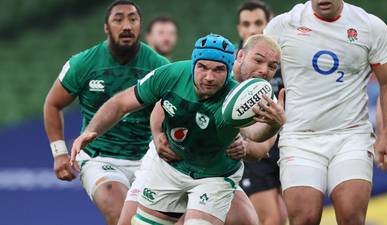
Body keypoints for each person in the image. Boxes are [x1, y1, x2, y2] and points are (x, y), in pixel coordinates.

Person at [69, 34, 285, 225]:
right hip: (170, 164)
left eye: (272, 66)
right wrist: (156, 135)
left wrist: (255, 140)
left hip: (214, 173)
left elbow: (259, 147)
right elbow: (143, 106)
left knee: (242, 221)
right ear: (239, 57)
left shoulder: (260, 100)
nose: (264, 71)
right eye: (258, 60)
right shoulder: (174, 74)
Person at [264, 0, 387, 225]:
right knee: (304, 218)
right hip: (300, 137)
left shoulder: (369, 26)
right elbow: (256, 71)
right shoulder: (283, 25)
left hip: (351, 135)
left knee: (351, 216)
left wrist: (386, 136)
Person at [43, 1, 169, 225]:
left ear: (141, 25)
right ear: (106, 27)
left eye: (133, 19)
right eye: (118, 19)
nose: (126, 26)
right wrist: (59, 152)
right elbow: (52, 104)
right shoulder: (84, 63)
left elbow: (174, 113)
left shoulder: (159, 66)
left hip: (149, 160)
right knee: (122, 216)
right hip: (99, 158)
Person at [237, 1, 287, 224]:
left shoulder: (286, 57)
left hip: (284, 143)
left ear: (270, 23)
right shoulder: (234, 64)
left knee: (285, 215)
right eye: (246, 24)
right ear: (239, 29)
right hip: (252, 146)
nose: (252, 29)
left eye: (258, 22)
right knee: (271, 218)